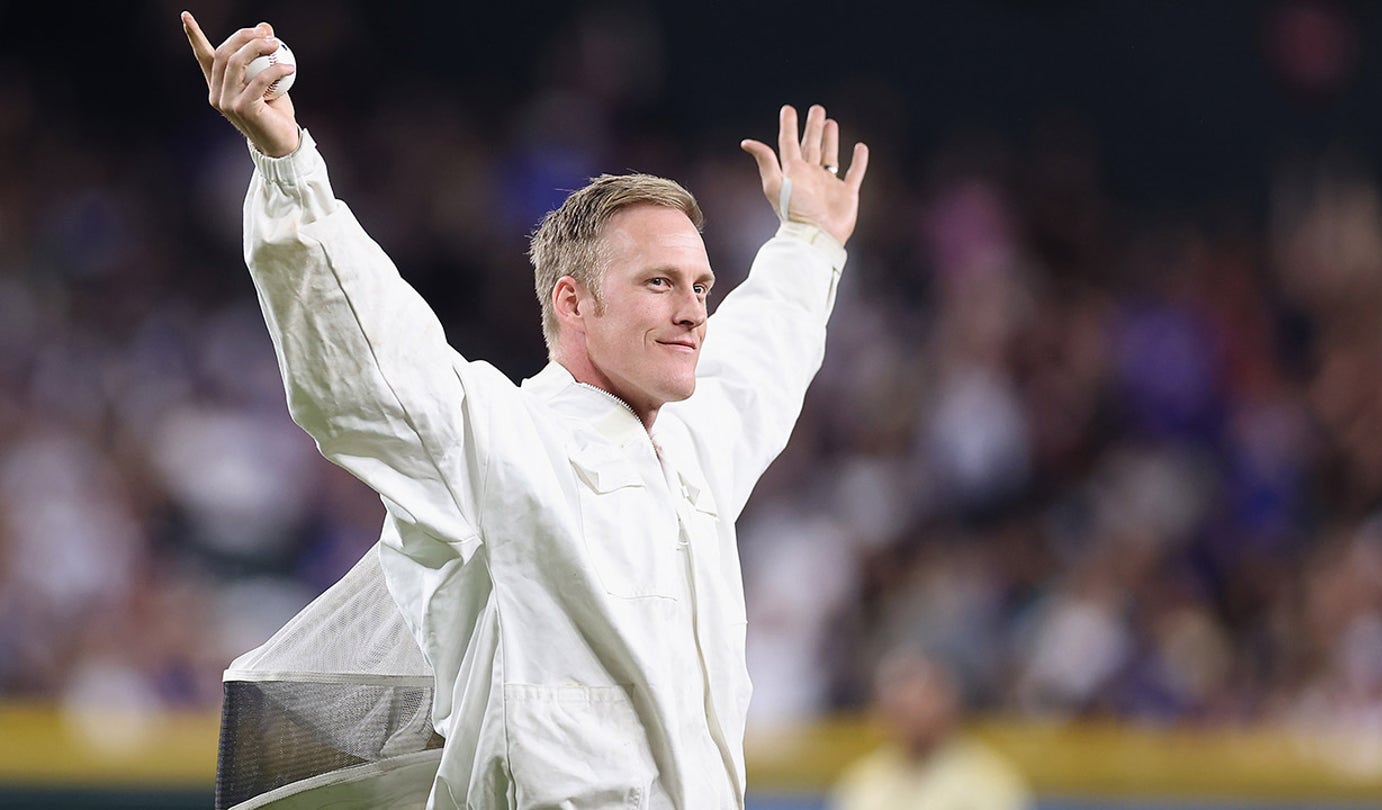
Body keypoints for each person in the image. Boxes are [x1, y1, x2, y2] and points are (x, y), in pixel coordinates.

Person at [181, 12, 868, 810]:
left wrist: (809, 242)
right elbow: (369, 362)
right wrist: (287, 164)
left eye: (701, 287)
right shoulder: (507, 438)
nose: (693, 311)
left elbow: (762, 360)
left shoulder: (693, 445)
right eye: (659, 282)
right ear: (573, 303)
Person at [830, 646, 1033, 810]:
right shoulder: (864, 781)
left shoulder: (989, 781)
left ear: (949, 707)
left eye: (921, 702)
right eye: (899, 708)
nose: (911, 718)